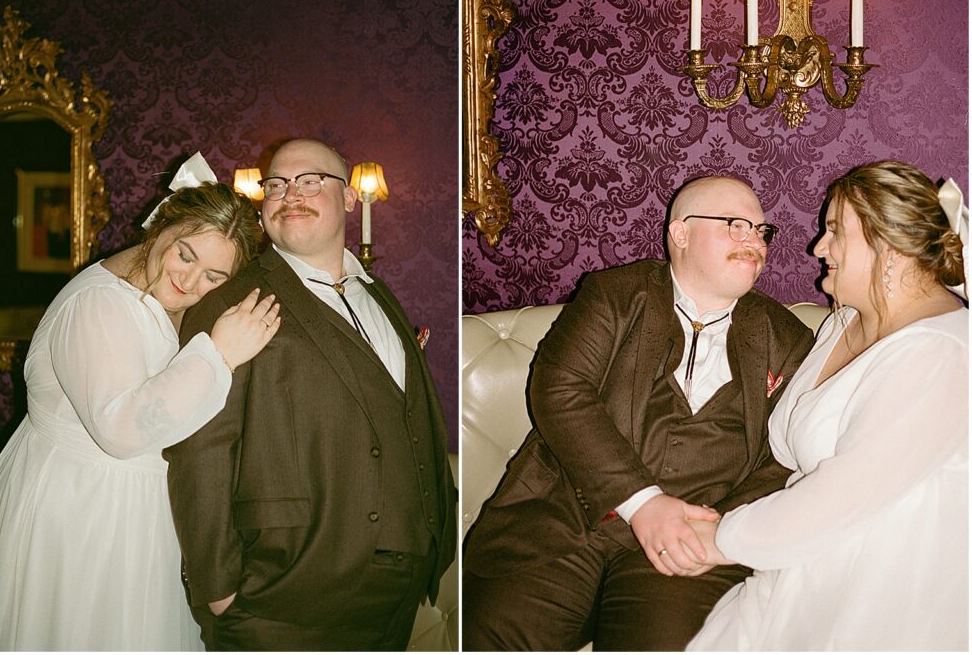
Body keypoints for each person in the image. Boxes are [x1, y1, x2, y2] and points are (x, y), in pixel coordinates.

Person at [462, 176, 816, 651]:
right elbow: (560, 390)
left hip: (691, 547)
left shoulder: (788, 337)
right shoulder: (613, 294)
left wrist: (721, 529)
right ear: (681, 233)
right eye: (734, 226)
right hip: (564, 522)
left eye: (760, 231)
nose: (754, 241)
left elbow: (791, 451)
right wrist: (642, 503)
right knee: (499, 639)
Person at [0, 161, 279, 651]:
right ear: (160, 226)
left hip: (132, 513)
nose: (191, 281)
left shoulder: (165, 298)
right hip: (78, 513)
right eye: (184, 254)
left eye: (215, 275)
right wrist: (220, 353)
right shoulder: (100, 304)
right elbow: (122, 430)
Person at [163, 138, 457, 651]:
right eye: (275, 184)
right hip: (285, 592)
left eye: (310, 181)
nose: (288, 194)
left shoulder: (377, 294)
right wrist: (220, 590)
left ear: (348, 198)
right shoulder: (231, 299)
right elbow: (199, 449)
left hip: (399, 590)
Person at [686, 161, 968, 651]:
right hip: (799, 565)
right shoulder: (842, 323)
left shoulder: (942, 353)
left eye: (835, 231)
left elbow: (845, 492)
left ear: (889, 248)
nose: (818, 248)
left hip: (881, 591)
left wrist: (719, 540)